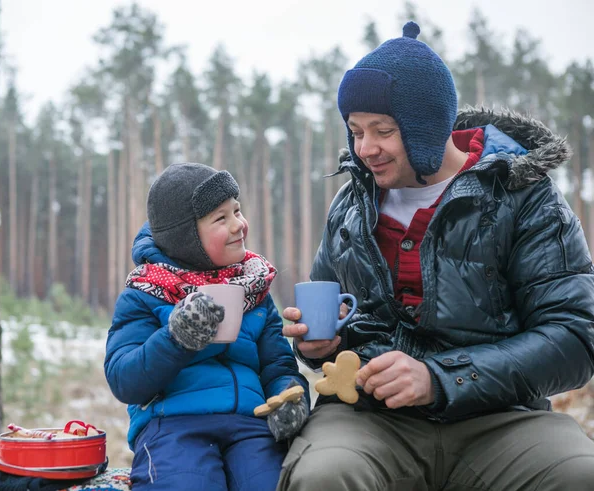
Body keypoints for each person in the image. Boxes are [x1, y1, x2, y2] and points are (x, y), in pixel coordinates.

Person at [277, 21, 594, 491]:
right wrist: (319, 345)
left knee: (579, 473)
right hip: (370, 421)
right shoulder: (350, 206)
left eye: (382, 130)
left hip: (502, 420)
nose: (365, 149)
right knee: (323, 475)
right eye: (356, 130)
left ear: (428, 127)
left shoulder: (523, 196)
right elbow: (338, 327)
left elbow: (575, 337)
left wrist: (440, 378)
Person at [104, 163, 309, 490]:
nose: (238, 225)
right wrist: (177, 338)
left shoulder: (253, 289)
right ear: (187, 238)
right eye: (221, 218)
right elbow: (124, 380)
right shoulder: (144, 293)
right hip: (172, 427)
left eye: (237, 211)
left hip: (251, 426)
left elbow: (277, 364)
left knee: (272, 483)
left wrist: (289, 397)